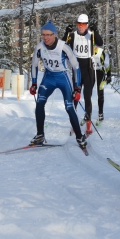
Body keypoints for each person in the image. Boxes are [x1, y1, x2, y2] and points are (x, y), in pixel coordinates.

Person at [29, 21, 87, 151]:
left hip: (63, 77)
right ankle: (40, 135)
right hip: (49, 77)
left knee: (69, 107)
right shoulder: (39, 47)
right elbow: (34, 65)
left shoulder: (63, 47)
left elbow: (76, 66)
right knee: (39, 103)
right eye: (43, 35)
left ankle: (79, 136)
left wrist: (77, 87)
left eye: (48, 35)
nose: (45, 38)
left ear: (54, 35)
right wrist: (33, 83)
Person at [63, 14, 103, 135]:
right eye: (79, 25)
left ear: (87, 25)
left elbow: (100, 43)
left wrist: (96, 31)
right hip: (77, 68)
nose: (80, 27)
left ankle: (88, 126)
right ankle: (74, 125)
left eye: (83, 25)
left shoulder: (91, 35)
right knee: (75, 97)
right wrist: (66, 32)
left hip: (89, 68)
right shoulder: (73, 35)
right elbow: (62, 45)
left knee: (87, 97)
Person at [91, 46, 112, 124]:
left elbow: (107, 65)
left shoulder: (102, 52)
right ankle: (87, 113)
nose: (94, 47)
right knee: (88, 92)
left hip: (100, 72)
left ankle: (100, 113)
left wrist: (109, 75)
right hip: (91, 72)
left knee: (100, 92)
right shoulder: (87, 51)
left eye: (95, 45)